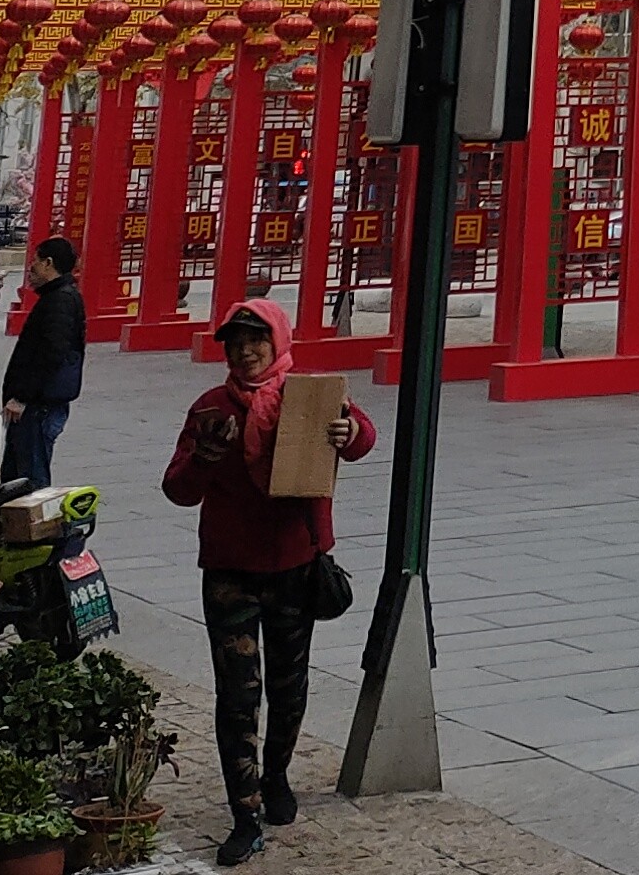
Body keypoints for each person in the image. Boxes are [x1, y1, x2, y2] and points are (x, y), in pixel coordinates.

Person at [163, 298, 373, 864]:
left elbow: (362, 438)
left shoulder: (307, 396)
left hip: (294, 566)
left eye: (257, 340)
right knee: (237, 696)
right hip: (231, 572)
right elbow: (178, 489)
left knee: (288, 685)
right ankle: (245, 811)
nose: (247, 352)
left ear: (278, 341)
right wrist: (207, 455)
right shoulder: (210, 408)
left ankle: (276, 771)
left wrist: (347, 428)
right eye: (235, 343)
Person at [1, 236, 88, 488]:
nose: (31, 269)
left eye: (35, 262)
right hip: (38, 403)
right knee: (17, 474)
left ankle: (32, 526)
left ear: (48, 263)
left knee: (29, 478)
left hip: (39, 406)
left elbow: (50, 355)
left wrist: (22, 396)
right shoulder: (58, 297)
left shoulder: (59, 300)